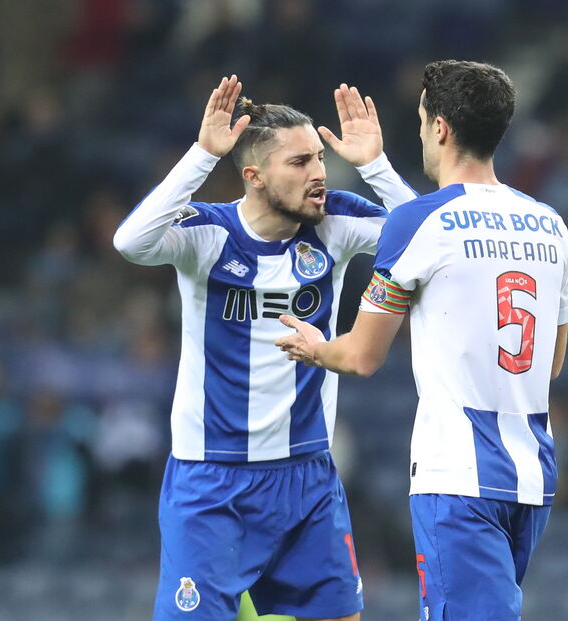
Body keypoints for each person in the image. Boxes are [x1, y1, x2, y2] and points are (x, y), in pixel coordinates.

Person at [276, 60, 568, 621]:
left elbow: (362, 357)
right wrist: (377, 169)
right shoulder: (550, 225)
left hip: (459, 473)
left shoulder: (420, 225)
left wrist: (314, 346)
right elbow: (551, 362)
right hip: (532, 476)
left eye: (419, 121)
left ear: (439, 128)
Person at [113, 74, 417, 621]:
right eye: (300, 163)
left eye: (320, 158)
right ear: (254, 176)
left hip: (308, 474)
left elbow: (431, 240)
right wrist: (203, 155)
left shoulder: (335, 224)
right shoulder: (208, 234)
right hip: (213, 479)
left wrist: (376, 166)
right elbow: (130, 241)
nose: (320, 173)